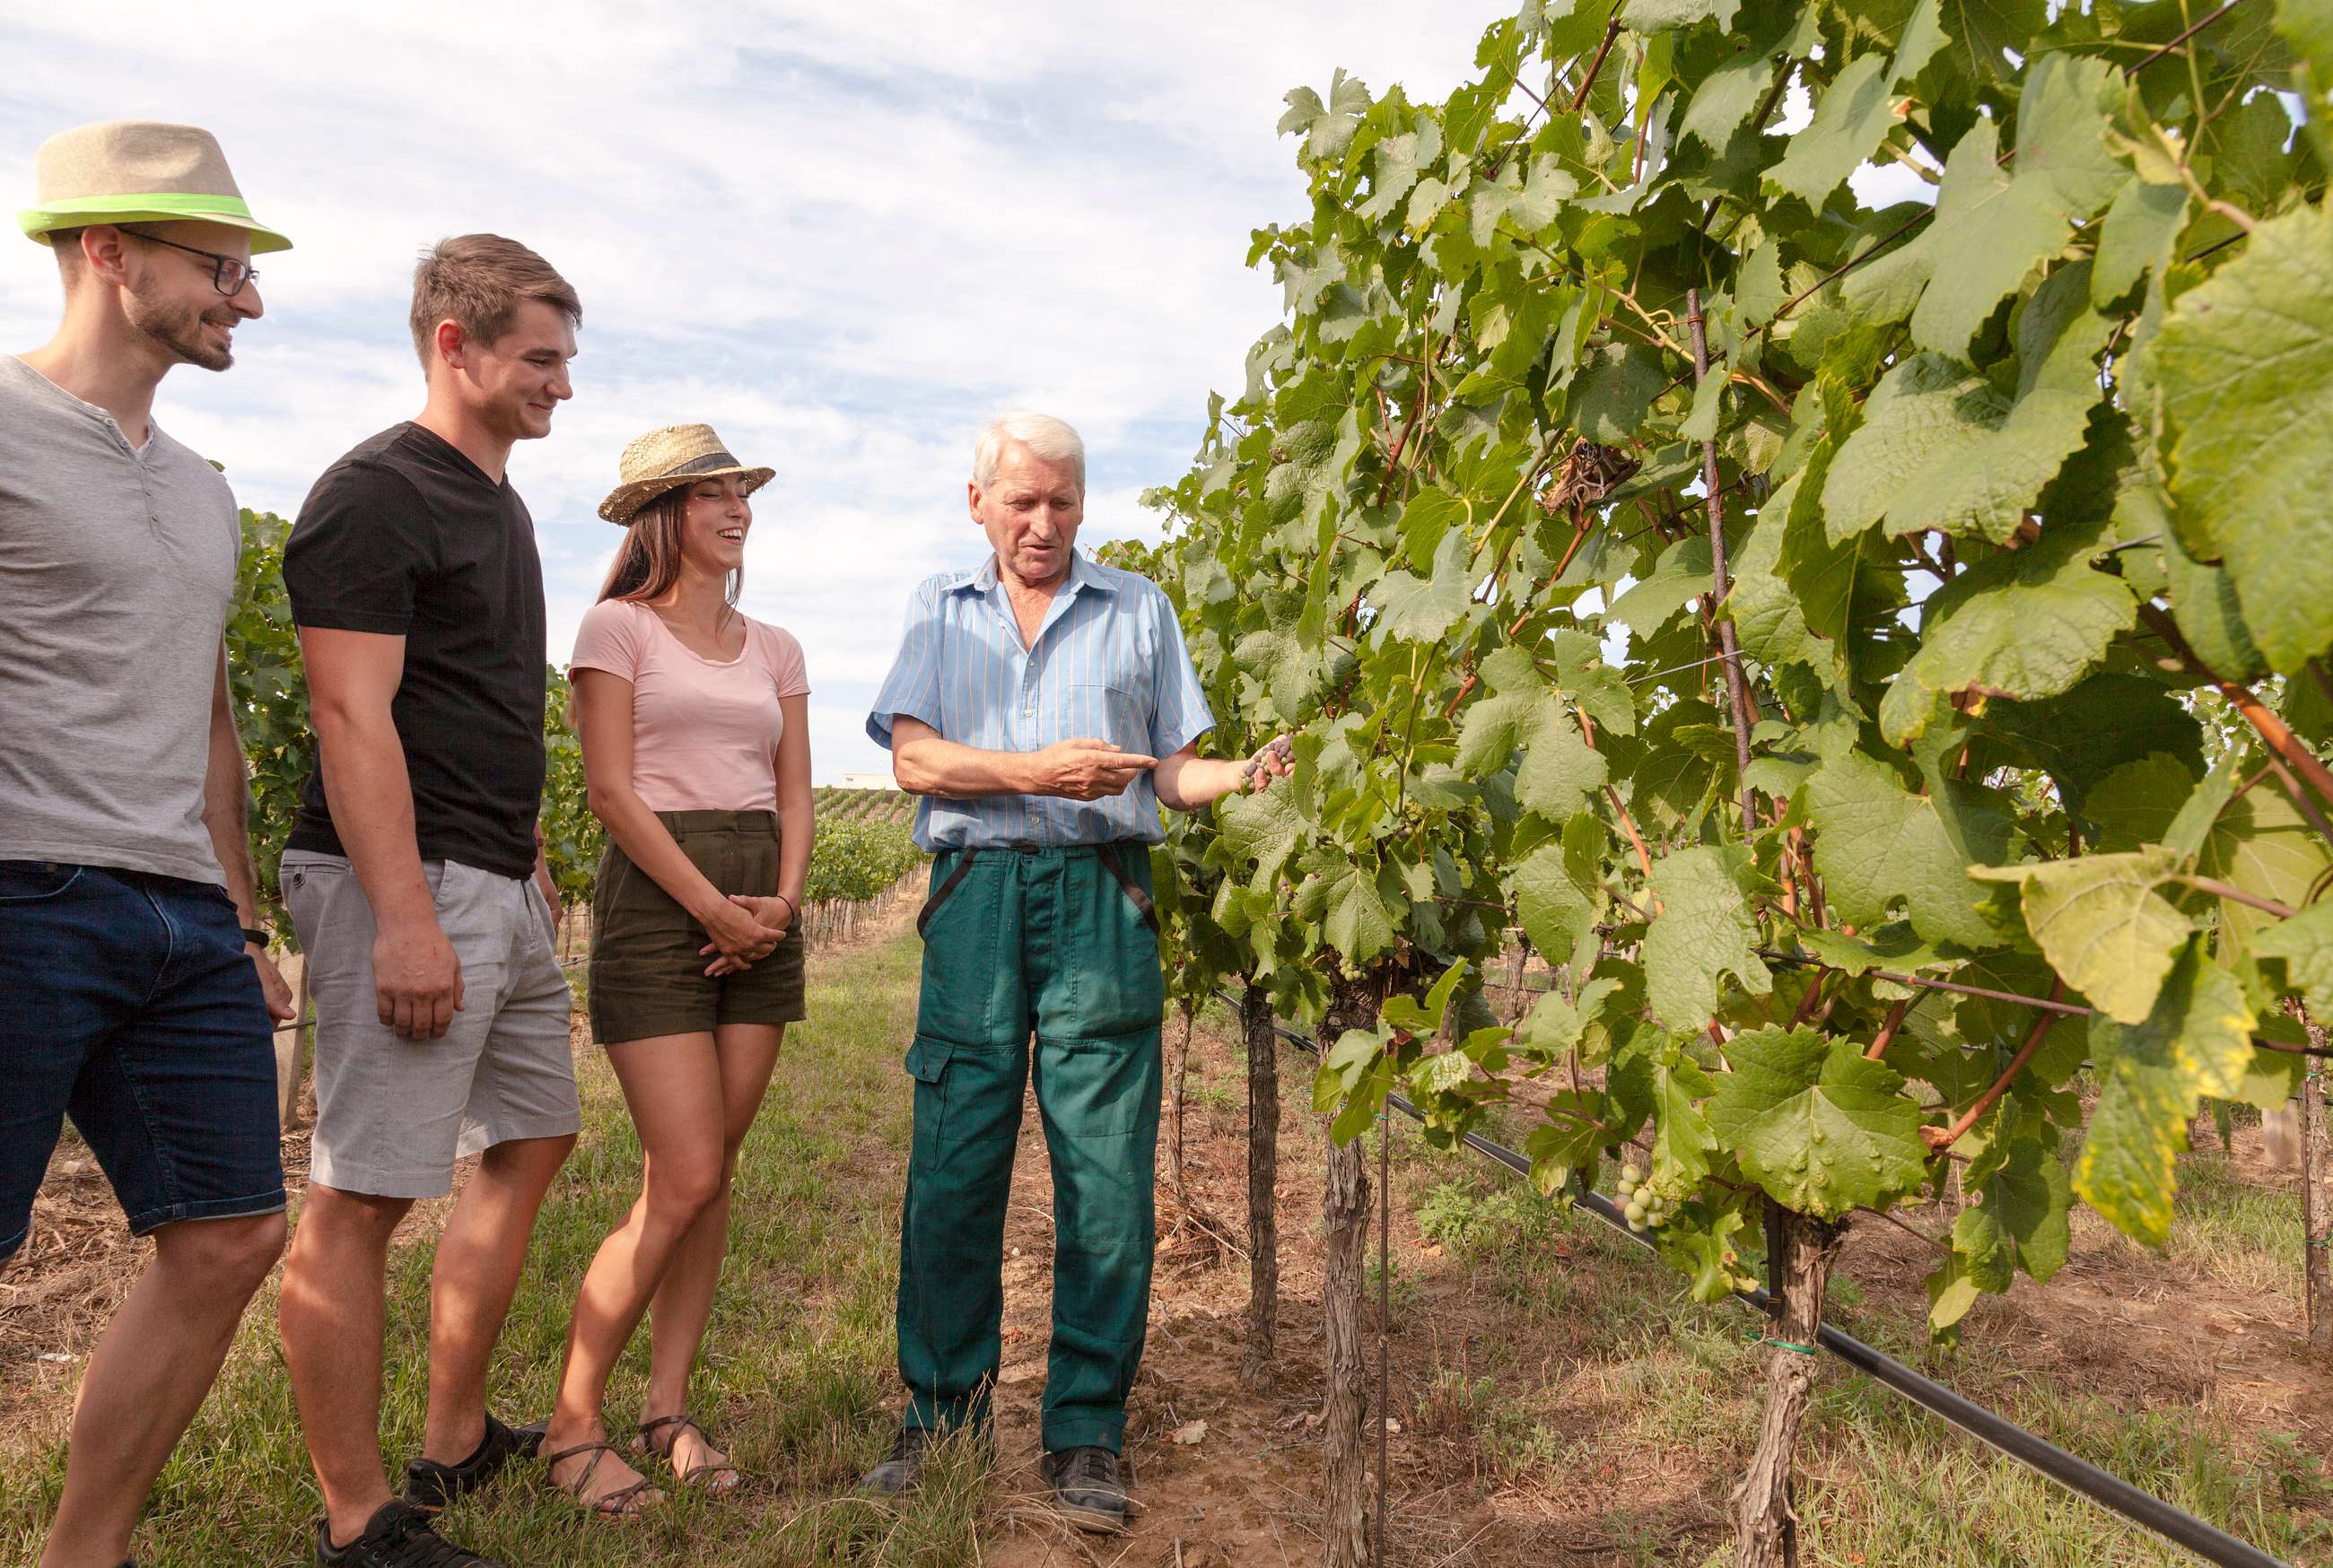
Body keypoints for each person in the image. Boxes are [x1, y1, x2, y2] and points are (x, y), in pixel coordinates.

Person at [859, 412, 1289, 1533]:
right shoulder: (937, 611)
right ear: (978, 503)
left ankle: (1086, 1428)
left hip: (1105, 892)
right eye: (1020, 502)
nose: (1040, 522)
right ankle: (940, 1413)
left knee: (1104, 1174)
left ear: (1083, 503)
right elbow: (912, 756)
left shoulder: (1138, 607)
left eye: (1060, 502)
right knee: (954, 1160)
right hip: (978, 900)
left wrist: (1246, 773)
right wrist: (1032, 771)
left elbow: (1178, 768)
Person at [1, 118, 296, 1568]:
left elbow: (210, 720)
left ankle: (83, 1553)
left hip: (181, 914)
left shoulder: (202, 487)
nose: (246, 296)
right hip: (19, 891)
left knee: (234, 1232)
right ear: (109, 253)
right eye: (220, 265)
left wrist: (238, 920)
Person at [275, 234, 582, 1568]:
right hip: (404, 881)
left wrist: (525, 853)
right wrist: (403, 912)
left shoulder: (497, 503)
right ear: (452, 345)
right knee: (361, 1198)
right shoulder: (376, 494)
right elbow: (353, 714)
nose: (561, 386)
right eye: (539, 358)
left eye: (568, 361)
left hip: (492, 875)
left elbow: (472, 702)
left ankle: (451, 1443)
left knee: (534, 1138)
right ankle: (359, 1525)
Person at [534, 423, 811, 1515]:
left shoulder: (777, 645)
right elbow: (609, 790)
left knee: (711, 1174)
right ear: (663, 515)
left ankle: (669, 1406)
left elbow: (792, 789)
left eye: (741, 491)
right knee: (683, 1171)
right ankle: (571, 1424)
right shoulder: (616, 629)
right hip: (663, 897)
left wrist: (780, 904)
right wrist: (711, 906)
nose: (735, 509)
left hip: (759, 894)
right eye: (711, 496)